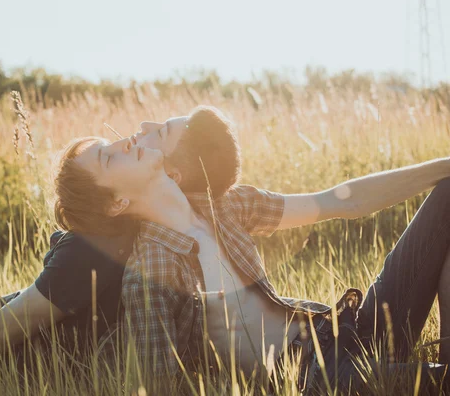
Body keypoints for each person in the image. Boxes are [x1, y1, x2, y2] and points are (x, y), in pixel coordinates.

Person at [52, 106, 450, 393]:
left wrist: (443, 165)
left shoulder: (227, 205)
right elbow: (159, 385)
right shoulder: (149, 271)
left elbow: (342, 201)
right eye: (108, 156)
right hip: (319, 380)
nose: (132, 133)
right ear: (116, 203)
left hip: (349, 329)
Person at [0, 106, 240, 361]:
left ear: (115, 202)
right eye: (109, 155)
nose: (128, 140)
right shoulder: (134, 231)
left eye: (106, 152)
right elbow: (28, 299)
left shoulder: (91, 250)